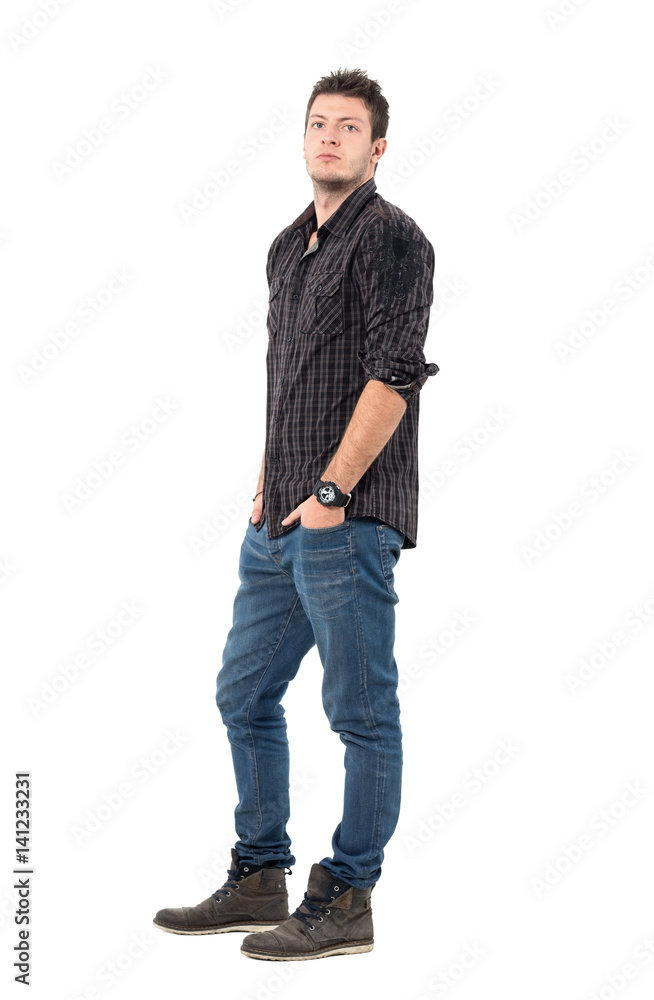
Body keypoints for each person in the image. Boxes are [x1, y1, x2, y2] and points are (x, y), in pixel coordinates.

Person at [154, 67, 439, 961]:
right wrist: (270, 483)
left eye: (348, 127)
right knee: (243, 694)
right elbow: (291, 384)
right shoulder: (288, 246)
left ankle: (347, 896)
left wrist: (328, 493)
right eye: (318, 124)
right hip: (279, 519)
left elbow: (393, 377)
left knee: (360, 714)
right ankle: (260, 874)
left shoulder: (393, 240)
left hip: (344, 521)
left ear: (376, 146)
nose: (328, 138)